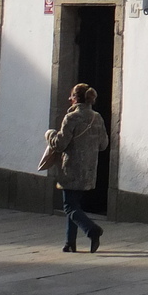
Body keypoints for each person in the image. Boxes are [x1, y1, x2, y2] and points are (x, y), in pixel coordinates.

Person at [47, 83, 109, 252]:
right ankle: (70, 242)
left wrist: (50, 135)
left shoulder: (72, 118)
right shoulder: (97, 117)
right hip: (89, 170)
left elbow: (60, 144)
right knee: (74, 205)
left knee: (69, 206)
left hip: (71, 168)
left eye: (71, 96)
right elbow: (104, 144)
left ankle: (92, 230)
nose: (69, 99)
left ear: (75, 98)